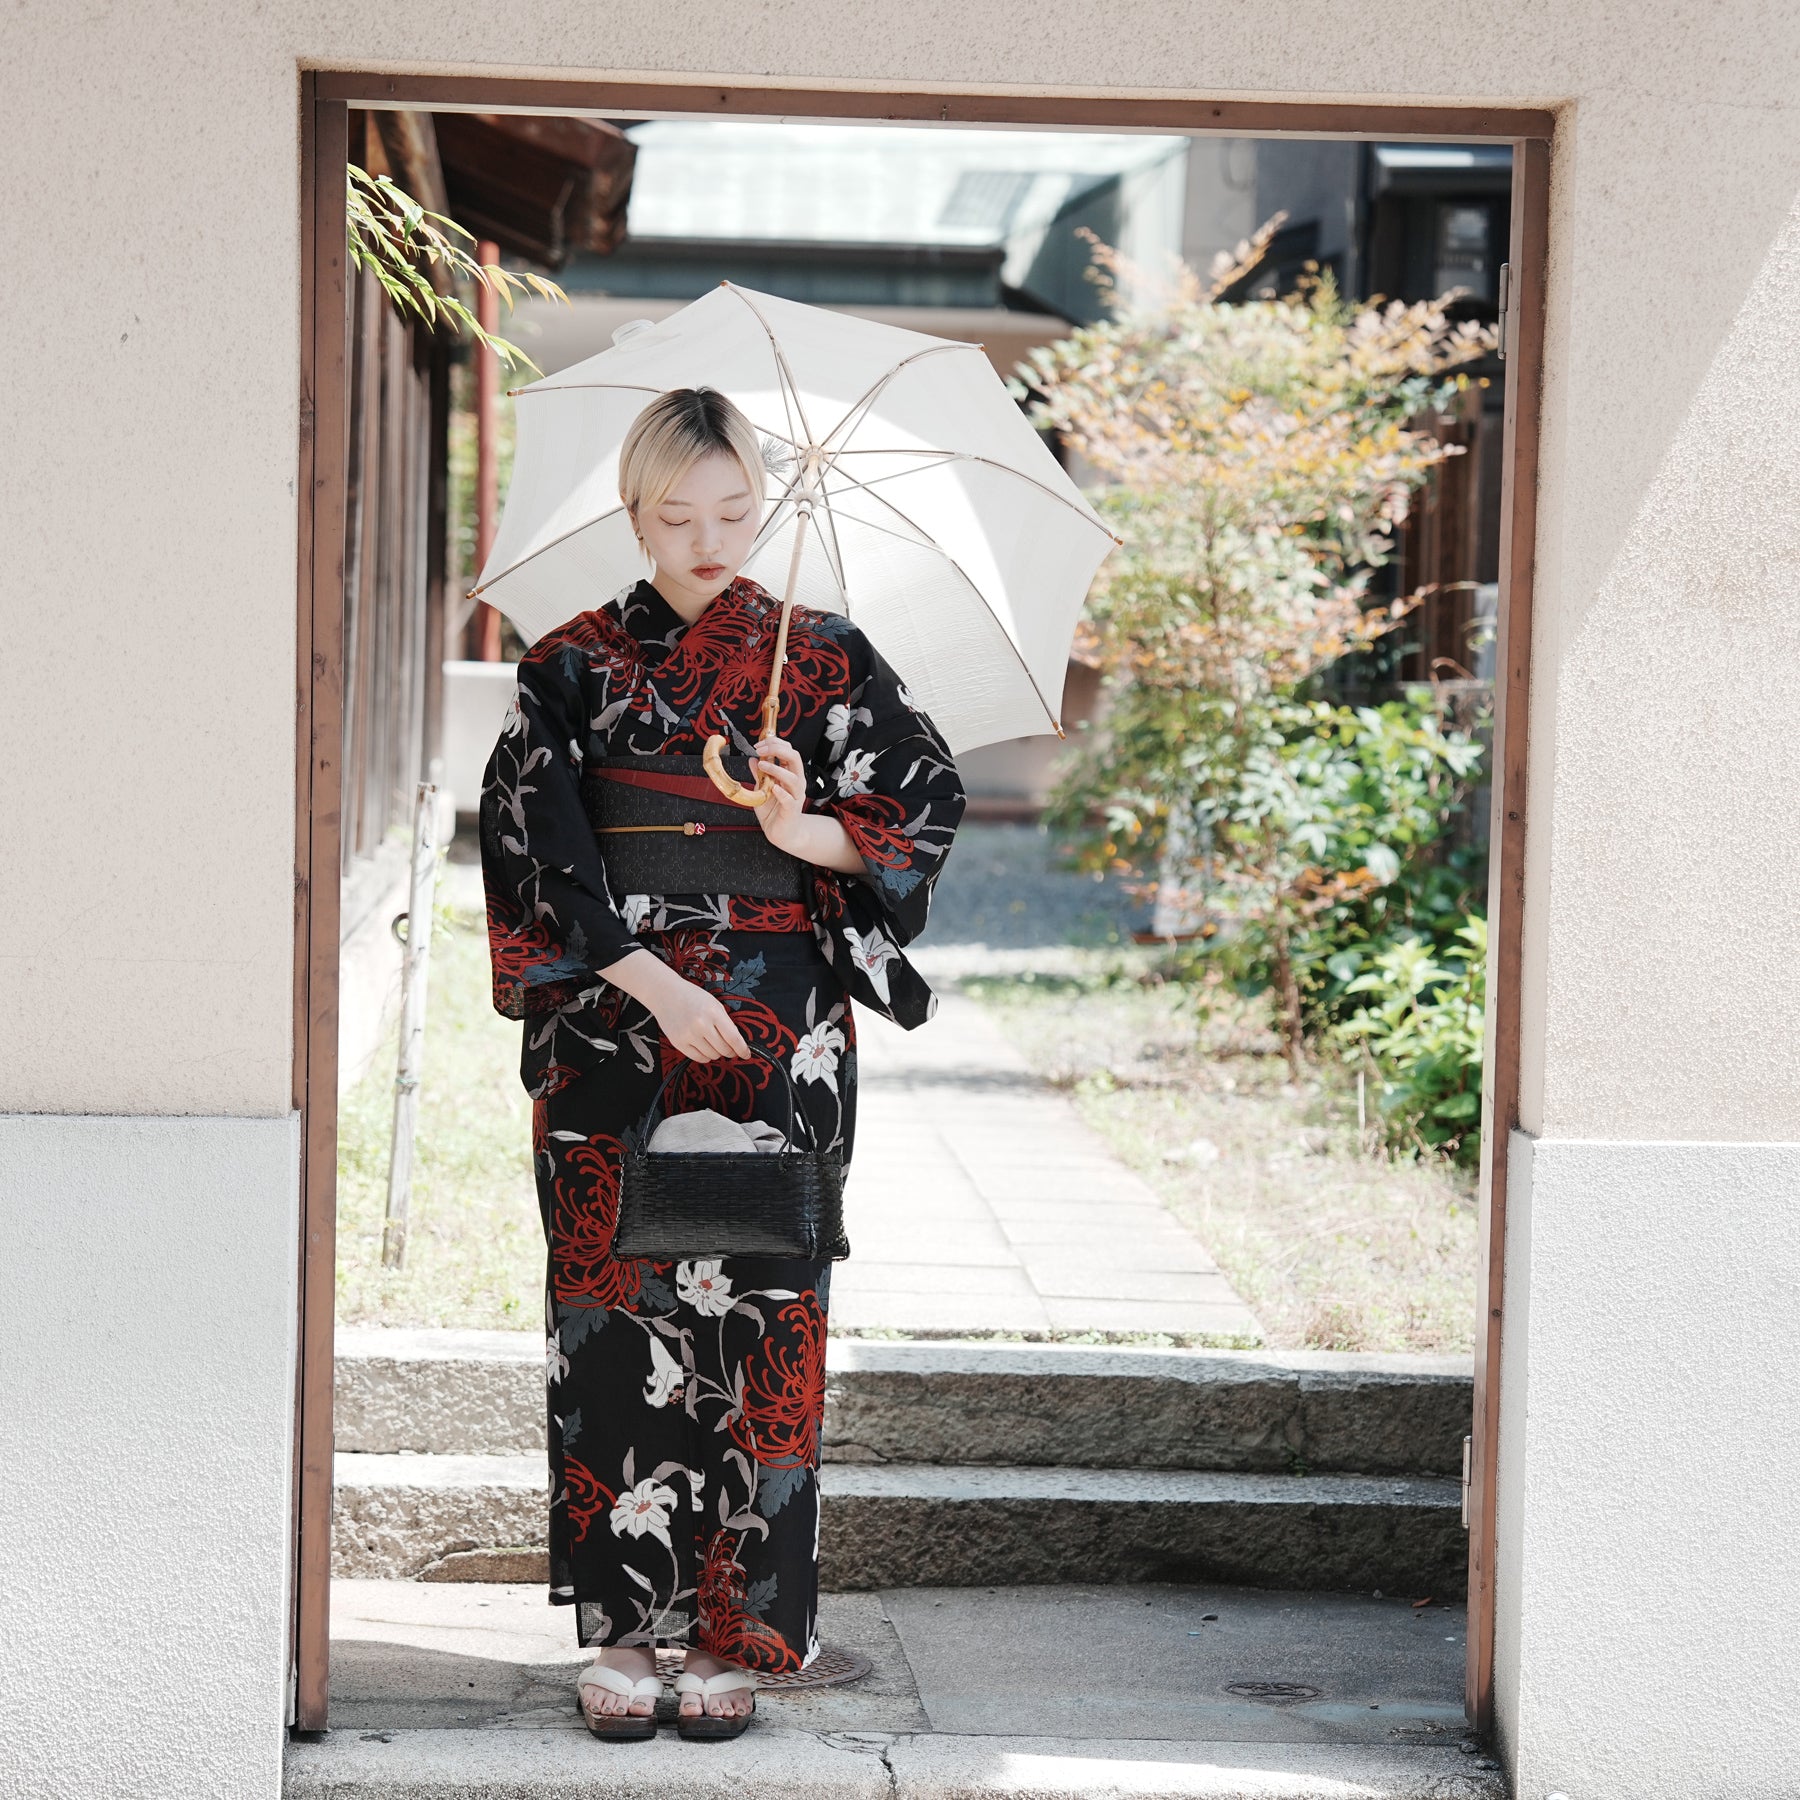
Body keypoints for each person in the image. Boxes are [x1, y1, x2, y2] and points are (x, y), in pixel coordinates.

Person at [479, 386, 964, 1740]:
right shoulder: (569, 665)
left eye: (737, 514)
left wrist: (801, 830)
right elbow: (531, 849)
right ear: (634, 513)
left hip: (775, 1026)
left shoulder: (829, 658)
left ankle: (732, 1632)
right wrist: (647, 979)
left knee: (765, 1313)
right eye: (678, 515)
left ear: (767, 510)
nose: (709, 540)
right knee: (611, 1309)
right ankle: (628, 1632)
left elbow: (921, 808)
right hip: (614, 1022)